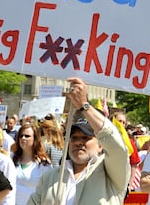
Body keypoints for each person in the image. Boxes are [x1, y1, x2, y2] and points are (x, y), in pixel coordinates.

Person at [27, 77, 130, 205]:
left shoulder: (111, 173)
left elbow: (116, 145)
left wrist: (84, 105)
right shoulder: (51, 177)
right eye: (74, 137)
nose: (78, 142)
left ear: (100, 145)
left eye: (86, 137)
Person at [12, 122, 52, 204]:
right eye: (21, 136)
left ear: (35, 139)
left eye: (27, 136)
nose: (23, 138)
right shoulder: (11, 158)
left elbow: (48, 192)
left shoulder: (44, 164)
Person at [114, 111, 141, 190]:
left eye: (123, 122)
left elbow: (134, 164)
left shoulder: (130, 142)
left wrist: (130, 184)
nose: (121, 124)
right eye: (119, 121)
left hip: (123, 182)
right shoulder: (105, 139)